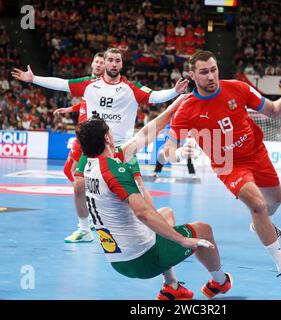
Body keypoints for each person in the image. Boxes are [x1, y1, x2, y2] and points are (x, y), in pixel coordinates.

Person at [125, 50, 281, 293]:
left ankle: (261, 226)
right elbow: (167, 150)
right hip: (228, 164)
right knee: (258, 206)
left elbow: (274, 110)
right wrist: (178, 154)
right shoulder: (187, 109)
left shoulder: (238, 88)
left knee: (275, 201)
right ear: (192, 75)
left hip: (257, 153)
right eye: (204, 72)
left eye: (213, 69)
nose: (211, 76)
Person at [12, 47, 189, 243]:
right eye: (110, 60)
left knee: (140, 192)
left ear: (122, 64)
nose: (113, 64)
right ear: (104, 62)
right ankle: (84, 229)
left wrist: (175, 91)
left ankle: (159, 229)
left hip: (123, 148)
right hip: (94, 148)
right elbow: (62, 84)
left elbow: (155, 96)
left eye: (117, 61)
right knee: (79, 185)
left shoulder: (131, 88)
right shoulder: (89, 85)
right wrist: (33, 79)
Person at [76, 115, 233, 300]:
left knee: (165, 214)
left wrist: (178, 101)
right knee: (204, 230)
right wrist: (182, 239)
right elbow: (144, 212)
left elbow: (145, 133)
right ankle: (220, 282)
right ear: (107, 138)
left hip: (116, 260)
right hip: (142, 259)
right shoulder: (114, 170)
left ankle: (171, 286)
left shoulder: (88, 165)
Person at [51, 52, 105, 231]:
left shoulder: (103, 86)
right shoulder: (88, 84)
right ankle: (89, 199)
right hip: (81, 132)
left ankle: (89, 209)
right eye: (96, 61)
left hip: (89, 134)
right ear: (91, 63)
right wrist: (70, 108)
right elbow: (84, 104)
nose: (98, 64)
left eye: (101, 62)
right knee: (70, 171)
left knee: (76, 174)